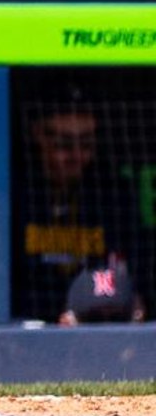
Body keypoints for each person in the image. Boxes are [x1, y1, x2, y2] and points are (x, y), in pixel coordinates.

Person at [12, 88, 144, 325]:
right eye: (64, 144)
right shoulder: (14, 191)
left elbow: (126, 276)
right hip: (24, 326)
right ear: (38, 134)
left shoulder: (112, 193)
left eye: (86, 144)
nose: (76, 155)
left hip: (91, 323)